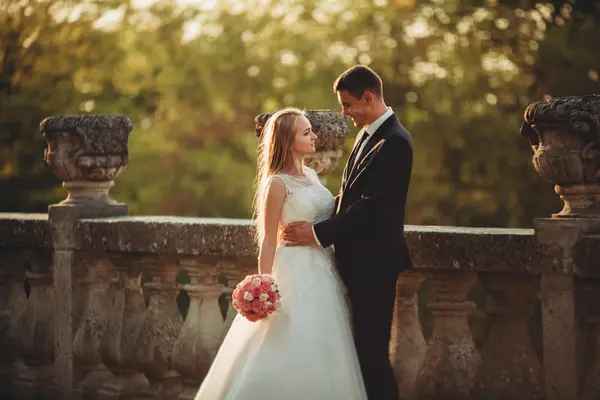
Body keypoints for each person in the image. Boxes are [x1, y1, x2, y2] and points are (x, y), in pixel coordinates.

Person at [194, 108, 367, 400]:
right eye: (306, 132)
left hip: (324, 271)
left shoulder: (311, 175)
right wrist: (264, 284)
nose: (314, 136)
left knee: (323, 346)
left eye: (311, 130)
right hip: (294, 274)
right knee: (287, 341)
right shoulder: (277, 184)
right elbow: (269, 240)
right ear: (288, 140)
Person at [283, 65, 414, 400]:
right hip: (357, 265)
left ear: (367, 98)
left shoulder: (395, 142)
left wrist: (317, 233)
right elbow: (351, 196)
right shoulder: (369, 134)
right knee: (358, 354)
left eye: (347, 105)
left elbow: (372, 207)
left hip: (375, 266)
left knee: (373, 357)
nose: (345, 113)